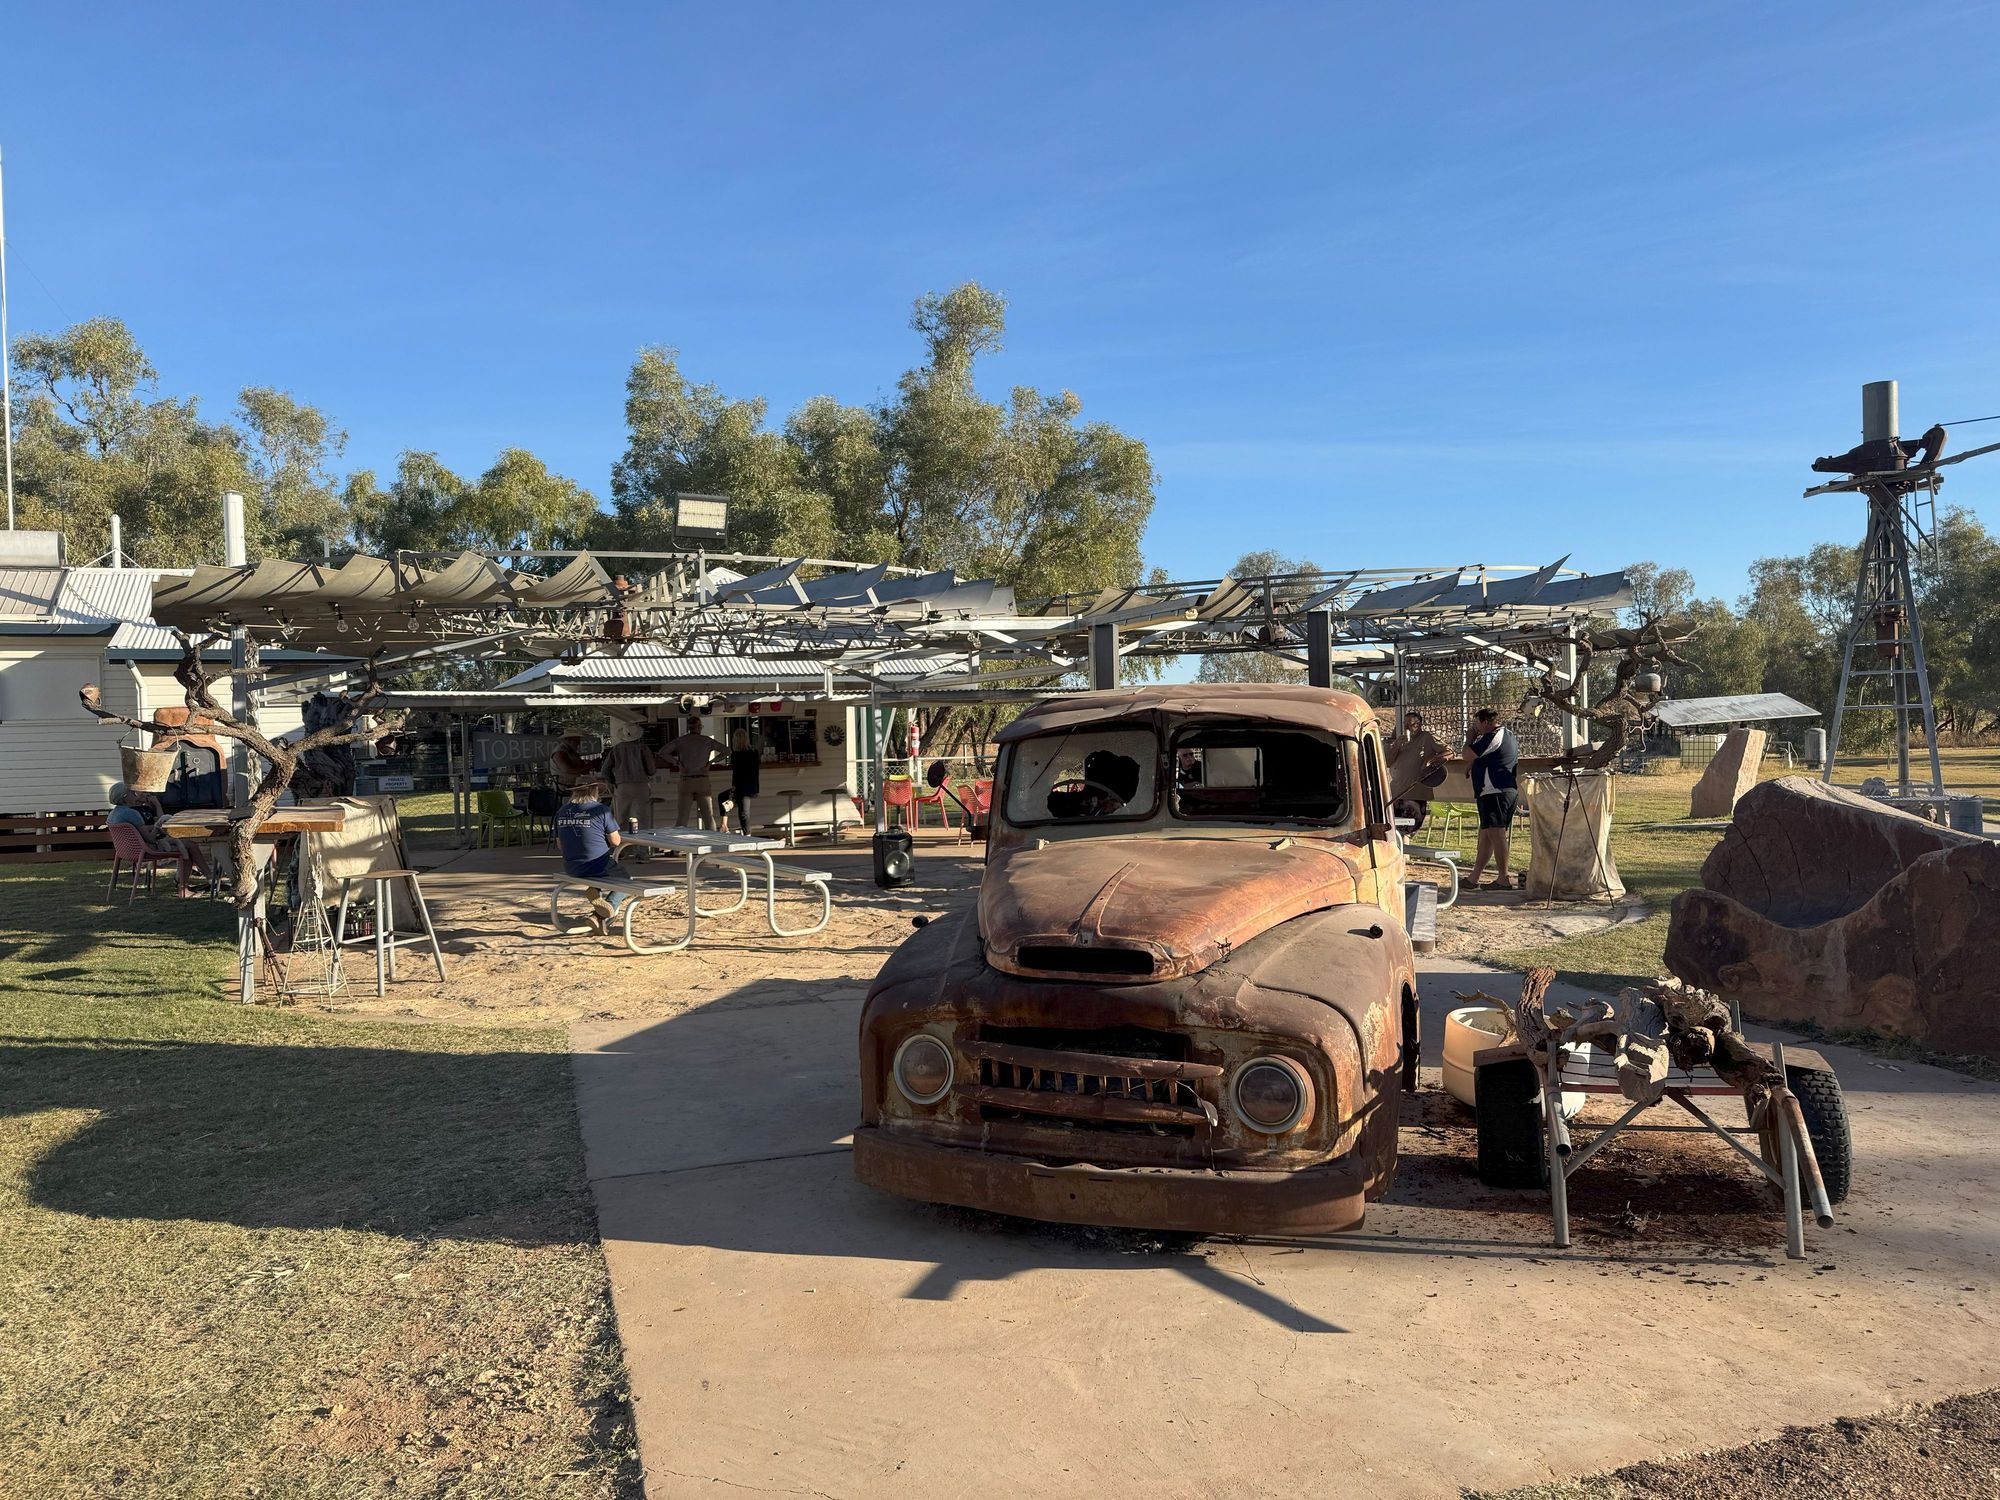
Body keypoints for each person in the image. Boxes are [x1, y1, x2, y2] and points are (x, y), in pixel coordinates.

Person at [107, 782, 206, 897]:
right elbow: (150, 838)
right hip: (146, 850)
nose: (136, 795)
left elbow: (138, 830)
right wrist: (157, 826)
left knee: (188, 845)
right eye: (133, 793)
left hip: (126, 851)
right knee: (188, 847)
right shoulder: (132, 814)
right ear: (125, 797)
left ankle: (205, 877)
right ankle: (187, 888)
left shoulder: (113, 814)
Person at [555, 775, 624, 935]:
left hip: (571, 866)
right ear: (594, 791)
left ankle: (595, 894)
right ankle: (601, 914)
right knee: (626, 880)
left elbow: (560, 845)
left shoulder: (562, 811)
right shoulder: (601, 809)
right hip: (597, 864)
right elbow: (616, 841)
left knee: (599, 874)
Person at [1463, 708, 1520, 890]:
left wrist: (1469, 739)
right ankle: (1474, 877)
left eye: (1477, 723)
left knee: (1497, 834)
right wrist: (1473, 765)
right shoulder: (1506, 735)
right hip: (1495, 791)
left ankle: (1504, 878)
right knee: (1486, 835)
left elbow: (1466, 754)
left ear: (1486, 722)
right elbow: (1486, 756)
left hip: (1495, 791)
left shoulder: (1493, 735)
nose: (1475, 728)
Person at [1387, 710, 1447, 833]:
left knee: (1408, 828)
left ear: (1418, 724)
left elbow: (1449, 752)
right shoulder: (1396, 741)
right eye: (1404, 724)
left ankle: (1406, 842)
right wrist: (1396, 745)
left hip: (1416, 791)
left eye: (1410, 724)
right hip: (1397, 792)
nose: (1406, 728)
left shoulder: (1426, 737)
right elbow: (1387, 762)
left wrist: (1430, 759)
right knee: (1393, 828)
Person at [666, 719, 729, 829]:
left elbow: (662, 752)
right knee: (708, 817)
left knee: (682, 818)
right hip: (702, 779)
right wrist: (711, 762)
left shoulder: (681, 741)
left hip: (686, 780)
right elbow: (727, 751)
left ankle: (679, 840)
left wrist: (677, 763)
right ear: (700, 727)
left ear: (688, 728)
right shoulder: (707, 741)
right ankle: (712, 839)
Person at [603, 724, 659, 832]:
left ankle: (623, 842)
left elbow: (605, 770)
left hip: (622, 786)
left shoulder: (616, 749)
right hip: (641, 786)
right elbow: (651, 770)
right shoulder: (643, 748)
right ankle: (642, 842)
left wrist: (613, 781)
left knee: (622, 818)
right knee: (642, 818)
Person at [726, 729, 762, 835]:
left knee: (742, 812)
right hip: (752, 786)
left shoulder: (736, 755)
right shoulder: (754, 753)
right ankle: (746, 833)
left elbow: (736, 774)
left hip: (741, 787)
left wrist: (733, 788)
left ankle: (746, 833)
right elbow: (756, 772)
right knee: (744, 811)